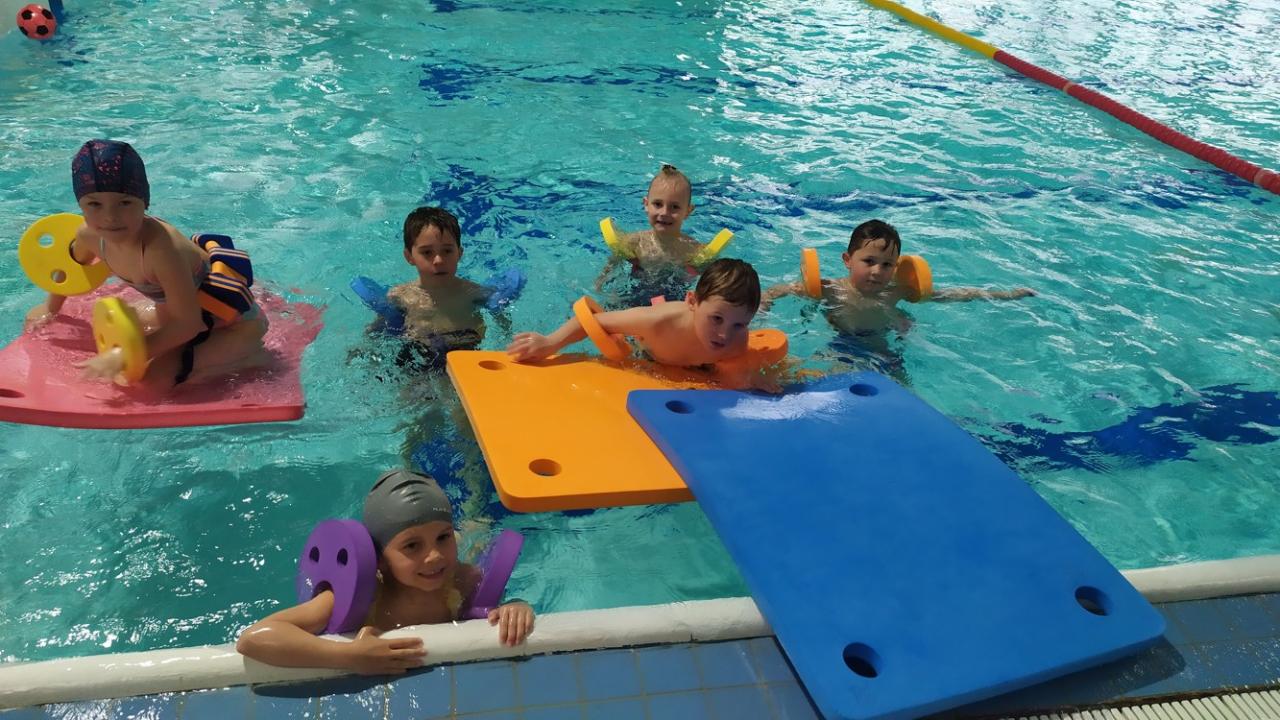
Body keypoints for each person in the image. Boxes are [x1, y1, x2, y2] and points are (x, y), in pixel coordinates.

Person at [236, 470, 535, 675]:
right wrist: (348, 657)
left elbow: (493, 609)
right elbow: (252, 639)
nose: (434, 555)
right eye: (412, 546)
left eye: (443, 537)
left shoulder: (461, 579)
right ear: (378, 559)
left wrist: (516, 608)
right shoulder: (362, 596)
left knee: (477, 519)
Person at [23, 140, 268, 387]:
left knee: (151, 382)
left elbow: (189, 324)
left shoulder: (161, 250)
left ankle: (251, 357)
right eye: (94, 204)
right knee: (114, 329)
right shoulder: (89, 236)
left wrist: (124, 355)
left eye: (125, 202)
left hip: (233, 325)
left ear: (145, 201)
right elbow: (72, 269)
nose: (110, 217)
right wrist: (50, 308)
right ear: (80, 205)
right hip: (180, 311)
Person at [510, 258, 782, 390]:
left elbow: (731, 371)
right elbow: (593, 322)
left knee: (761, 308)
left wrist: (751, 378)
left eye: (739, 325)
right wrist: (550, 342)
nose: (724, 334)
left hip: (686, 358)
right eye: (717, 319)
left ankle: (781, 291)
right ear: (692, 302)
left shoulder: (737, 340)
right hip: (647, 343)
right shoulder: (658, 323)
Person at [760, 219, 1034, 337]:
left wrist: (1005, 295)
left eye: (887, 265)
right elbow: (780, 290)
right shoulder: (830, 288)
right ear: (847, 260)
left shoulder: (895, 291)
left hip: (881, 343)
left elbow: (948, 295)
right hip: (843, 340)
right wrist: (763, 305)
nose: (878, 271)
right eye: (869, 261)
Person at [383, 207, 510, 372]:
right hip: (417, 354)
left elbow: (504, 327)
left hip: (465, 351)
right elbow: (379, 330)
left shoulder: (474, 293)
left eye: (447, 251)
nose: (438, 260)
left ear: (459, 253)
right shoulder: (400, 296)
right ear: (409, 257)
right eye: (427, 252)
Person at [594, 164, 726, 301]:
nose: (664, 213)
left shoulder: (694, 249)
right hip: (636, 295)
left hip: (675, 301)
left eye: (674, 207)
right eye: (658, 204)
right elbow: (613, 264)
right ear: (646, 204)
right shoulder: (635, 242)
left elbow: (709, 281)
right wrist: (599, 284)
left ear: (688, 211)